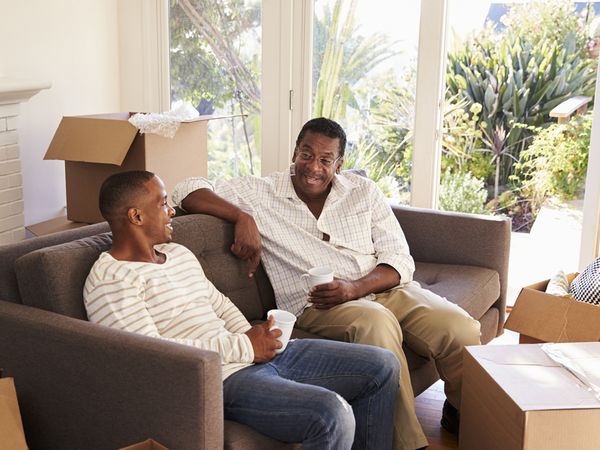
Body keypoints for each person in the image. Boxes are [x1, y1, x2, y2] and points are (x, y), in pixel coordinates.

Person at [172, 117, 482, 450]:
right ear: (295, 152)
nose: (314, 167)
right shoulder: (260, 194)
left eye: (325, 159)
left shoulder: (363, 191)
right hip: (316, 305)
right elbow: (184, 188)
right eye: (307, 154)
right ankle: (406, 445)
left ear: (339, 163)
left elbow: (399, 258)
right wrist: (241, 216)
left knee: (458, 326)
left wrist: (357, 287)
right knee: (375, 323)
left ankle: (466, 414)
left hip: (382, 287)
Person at [83, 170, 399, 450]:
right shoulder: (111, 280)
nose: (171, 210)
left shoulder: (176, 254)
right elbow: (152, 357)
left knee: (383, 365)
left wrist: (261, 340)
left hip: (249, 356)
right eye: (163, 203)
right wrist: (245, 346)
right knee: (330, 414)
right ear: (136, 217)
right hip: (218, 379)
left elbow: (219, 304)